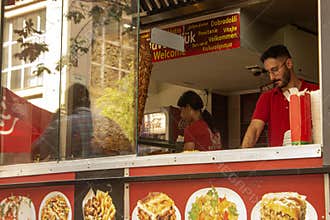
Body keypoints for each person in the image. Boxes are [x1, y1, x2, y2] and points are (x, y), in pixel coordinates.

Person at [242, 45, 319, 148]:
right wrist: (243, 155)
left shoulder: (316, 91)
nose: (272, 77)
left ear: (289, 63)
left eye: (274, 70)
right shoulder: (267, 98)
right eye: (268, 72)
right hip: (279, 161)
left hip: (313, 159)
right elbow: (255, 129)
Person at [31, 83, 94, 161]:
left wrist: (53, 122)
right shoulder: (105, 122)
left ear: (69, 102)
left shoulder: (62, 124)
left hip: (70, 171)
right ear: (89, 101)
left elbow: (36, 151)